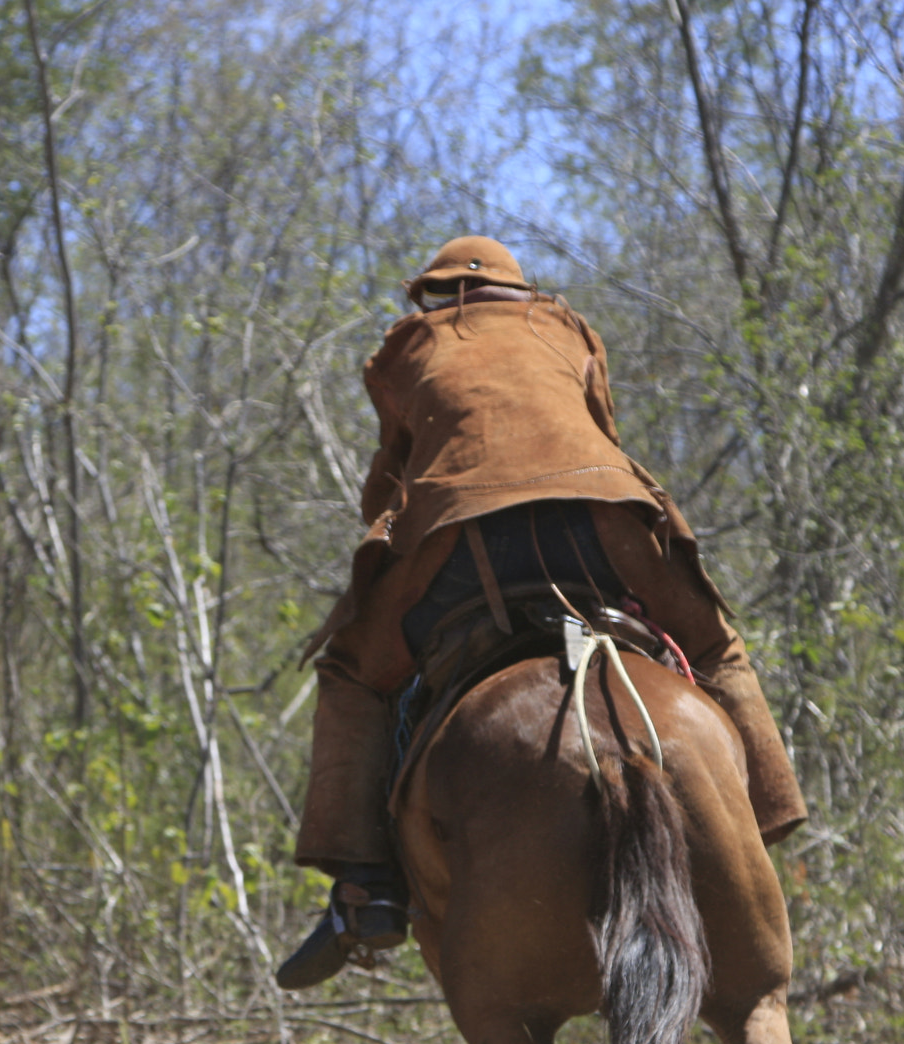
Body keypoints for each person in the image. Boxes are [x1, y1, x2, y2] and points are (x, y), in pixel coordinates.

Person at [276, 235, 807, 990]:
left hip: (460, 532)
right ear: (515, 289)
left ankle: (366, 889)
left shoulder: (406, 346)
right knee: (713, 644)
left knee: (354, 674)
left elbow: (389, 476)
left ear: (438, 292)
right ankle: (759, 819)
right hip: (604, 521)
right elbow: (603, 429)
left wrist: (390, 540)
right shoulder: (567, 327)